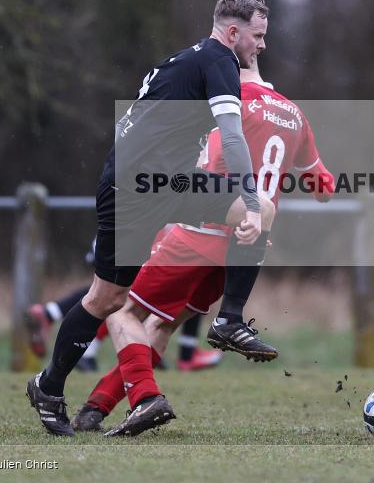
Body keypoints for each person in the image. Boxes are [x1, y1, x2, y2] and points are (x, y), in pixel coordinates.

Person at [27, 0, 278, 436]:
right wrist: (250, 201)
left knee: (262, 208)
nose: (261, 46)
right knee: (106, 300)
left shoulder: (193, 59)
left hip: (170, 182)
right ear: (232, 32)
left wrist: (253, 206)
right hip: (133, 189)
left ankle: (228, 320)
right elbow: (232, 136)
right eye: (257, 37)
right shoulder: (218, 61)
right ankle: (48, 387)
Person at [71, 60, 333, 434]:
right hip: (245, 251)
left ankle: (144, 397)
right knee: (163, 325)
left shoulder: (228, 101)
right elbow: (322, 188)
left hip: (200, 234)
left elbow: (209, 157)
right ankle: (95, 409)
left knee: (120, 308)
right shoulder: (294, 115)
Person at [24, 241, 222, 372]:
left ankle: (51, 314)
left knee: (115, 292)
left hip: (134, 228)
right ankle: (86, 350)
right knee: (116, 294)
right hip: (133, 231)